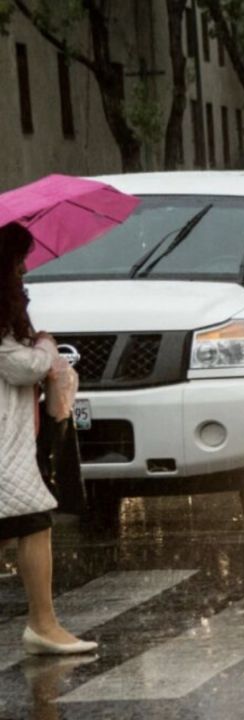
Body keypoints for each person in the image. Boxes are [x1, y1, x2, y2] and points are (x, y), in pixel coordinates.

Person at [0, 222, 97, 655]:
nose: (23, 270)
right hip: (4, 442)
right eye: (17, 263)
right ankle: (43, 624)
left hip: (13, 438)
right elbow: (19, 366)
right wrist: (45, 348)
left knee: (31, 520)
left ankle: (44, 622)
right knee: (34, 520)